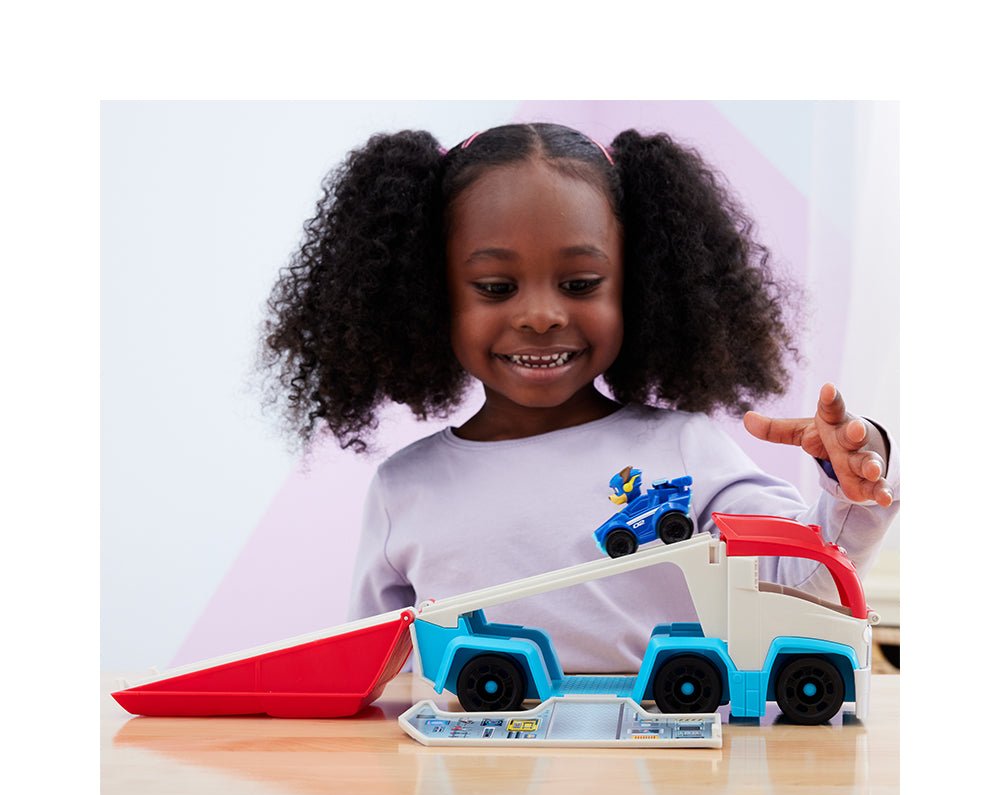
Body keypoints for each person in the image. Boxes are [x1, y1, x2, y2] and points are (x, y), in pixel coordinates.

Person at [259, 123, 899, 674]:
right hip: (473, 777)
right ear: (429, 295)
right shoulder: (404, 488)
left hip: (663, 770)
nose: (540, 314)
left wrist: (851, 482)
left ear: (638, 287)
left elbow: (808, 585)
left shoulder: (686, 449)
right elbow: (374, 676)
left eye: (581, 282)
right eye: (496, 286)